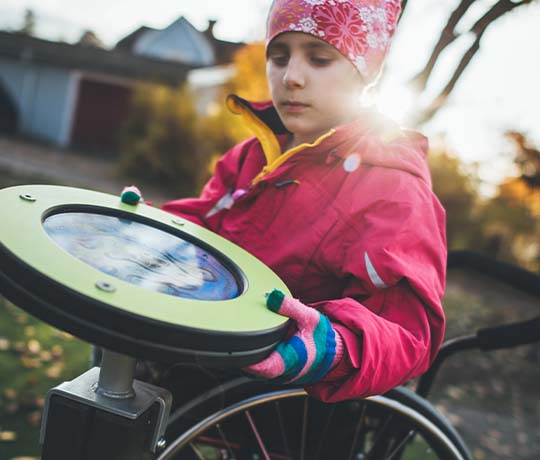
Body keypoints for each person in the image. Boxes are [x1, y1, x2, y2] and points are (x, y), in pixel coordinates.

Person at [125, 0, 447, 402]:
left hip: (281, 401)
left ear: (366, 73)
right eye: (278, 57)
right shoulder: (252, 154)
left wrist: (331, 346)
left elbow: (406, 332)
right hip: (199, 354)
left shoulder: (393, 190)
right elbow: (206, 227)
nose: (291, 77)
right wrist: (143, 229)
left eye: (319, 59)